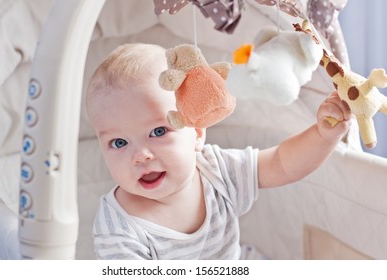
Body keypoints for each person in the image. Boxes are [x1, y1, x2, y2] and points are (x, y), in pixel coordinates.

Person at [86, 43, 351, 259]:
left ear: (197, 132)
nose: (141, 155)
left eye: (158, 132)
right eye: (119, 143)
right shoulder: (119, 227)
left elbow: (281, 163)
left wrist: (322, 135)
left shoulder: (216, 170)